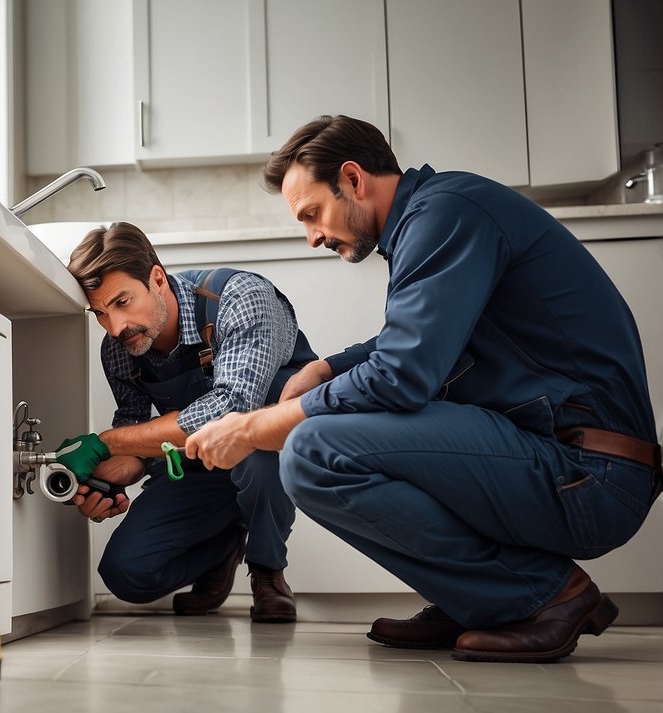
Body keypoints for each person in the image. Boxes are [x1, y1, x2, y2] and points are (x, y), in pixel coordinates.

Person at [186, 115, 661, 661]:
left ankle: (542, 596)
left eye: (312, 213)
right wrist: (327, 367)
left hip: (591, 475)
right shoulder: (437, 213)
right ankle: (475, 599)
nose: (312, 235)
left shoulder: (445, 213)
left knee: (315, 452)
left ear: (353, 179)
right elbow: (419, 343)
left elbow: (401, 375)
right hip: (566, 459)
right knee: (333, 436)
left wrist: (254, 425)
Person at [52, 222, 316, 620]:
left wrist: (107, 440)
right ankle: (225, 546)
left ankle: (267, 571)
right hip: (196, 463)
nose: (115, 327)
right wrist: (102, 482)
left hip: (269, 446)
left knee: (258, 458)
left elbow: (234, 407)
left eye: (122, 302)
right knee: (125, 572)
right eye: (101, 313)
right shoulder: (120, 350)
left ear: (157, 278)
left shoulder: (239, 297)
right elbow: (135, 437)